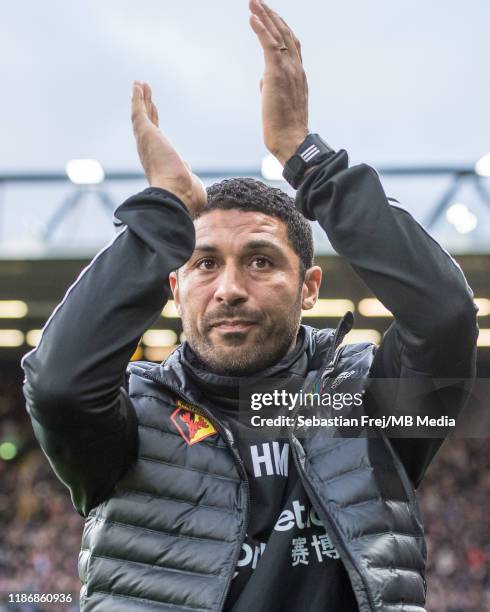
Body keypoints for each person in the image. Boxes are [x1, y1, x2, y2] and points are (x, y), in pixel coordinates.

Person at [21, 1, 478, 611]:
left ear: (310, 286)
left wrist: (306, 158)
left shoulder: (373, 406)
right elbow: (57, 384)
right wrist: (160, 218)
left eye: (260, 261)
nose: (229, 287)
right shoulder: (131, 417)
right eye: (205, 263)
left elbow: (445, 316)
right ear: (174, 287)